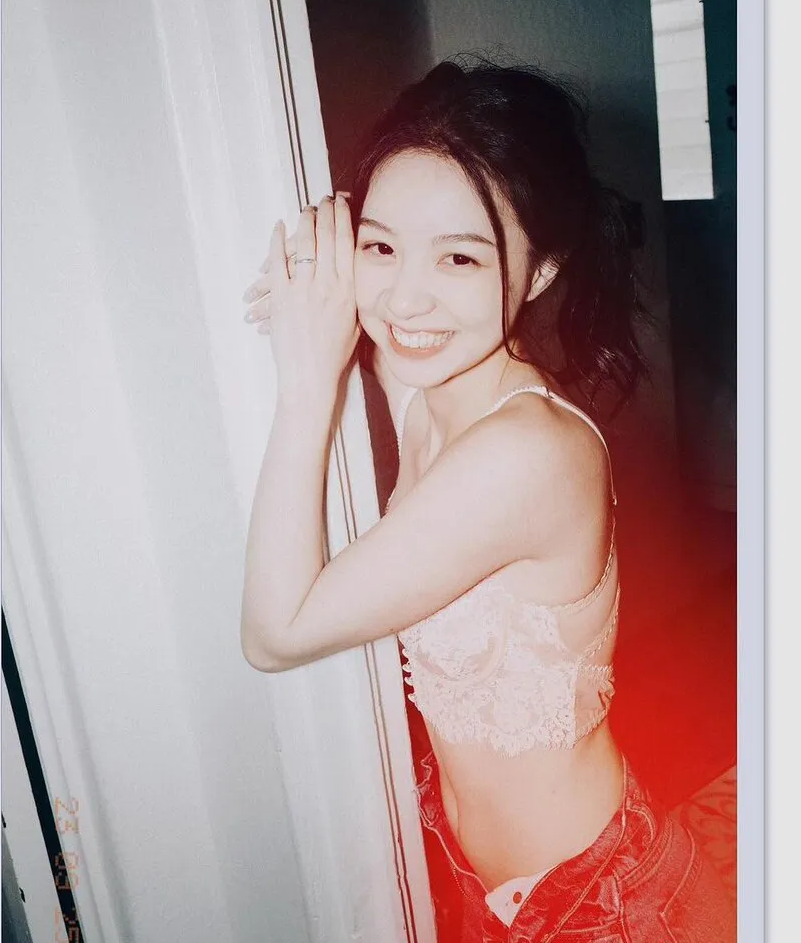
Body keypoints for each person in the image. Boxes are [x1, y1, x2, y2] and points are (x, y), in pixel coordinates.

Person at [240, 61, 734, 942]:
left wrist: (306, 382)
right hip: (478, 884)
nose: (405, 298)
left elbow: (275, 633)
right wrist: (323, 266)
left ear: (540, 270)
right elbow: (380, 315)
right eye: (382, 248)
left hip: (599, 907)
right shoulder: (428, 382)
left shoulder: (527, 452)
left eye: (460, 257)